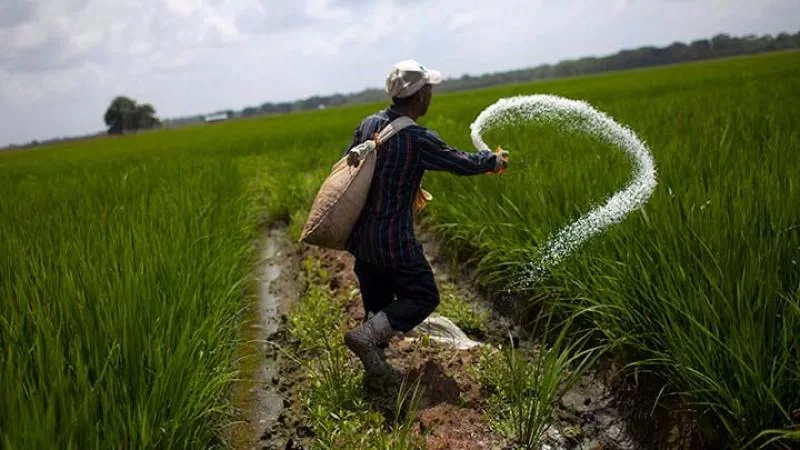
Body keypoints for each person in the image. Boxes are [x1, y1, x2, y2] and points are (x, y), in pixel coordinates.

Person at [342, 60, 509, 380]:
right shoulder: (417, 138)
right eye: (428, 90)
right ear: (419, 97)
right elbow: (459, 162)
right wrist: (493, 160)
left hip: (362, 239)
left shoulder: (368, 125)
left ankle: (375, 371)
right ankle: (365, 338)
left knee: (378, 305)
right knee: (423, 295)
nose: (430, 96)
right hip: (394, 240)